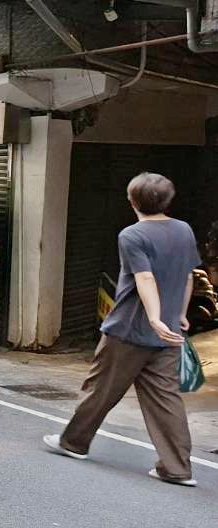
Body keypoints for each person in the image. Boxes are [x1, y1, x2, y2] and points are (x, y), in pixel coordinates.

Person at [44, 172, 202, 486]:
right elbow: (188, 275)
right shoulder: (183, 230)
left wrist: (154, 318)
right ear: (168, 201)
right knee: (166, 400)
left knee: (100, 389)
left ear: (131, 202)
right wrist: (178, 314)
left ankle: (73, 443)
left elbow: (144, 277)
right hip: (169, 333)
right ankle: (177, 468)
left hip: (129, 330)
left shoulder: (132, 235)